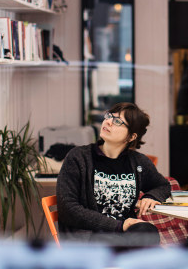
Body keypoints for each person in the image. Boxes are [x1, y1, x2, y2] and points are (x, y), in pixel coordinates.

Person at [57, 102, 170, 246]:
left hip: (125, 234)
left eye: (117, 121)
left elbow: (162, 185)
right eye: (109, 116)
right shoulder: (79, 157)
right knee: (118, 244)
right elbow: (68, 209)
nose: (108, 122)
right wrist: (118, 226)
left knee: (148, 232)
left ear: (131, 137)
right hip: (89, 236)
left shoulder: (138, 162)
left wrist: (151, 196)